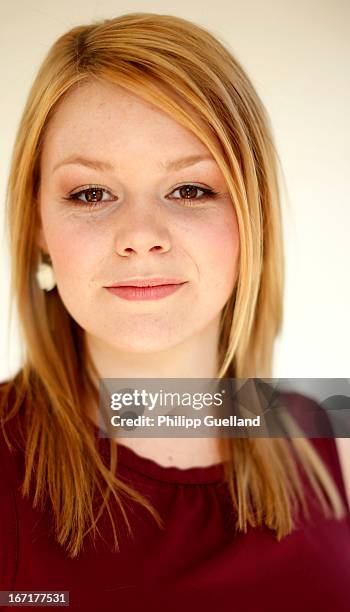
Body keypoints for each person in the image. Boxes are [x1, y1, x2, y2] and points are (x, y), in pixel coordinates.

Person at [0, 12, 349, 612]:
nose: (140, 236)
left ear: (251, 218)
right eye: (90, 193)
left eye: (191, 190)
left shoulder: (333, 442)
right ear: (37, 225)